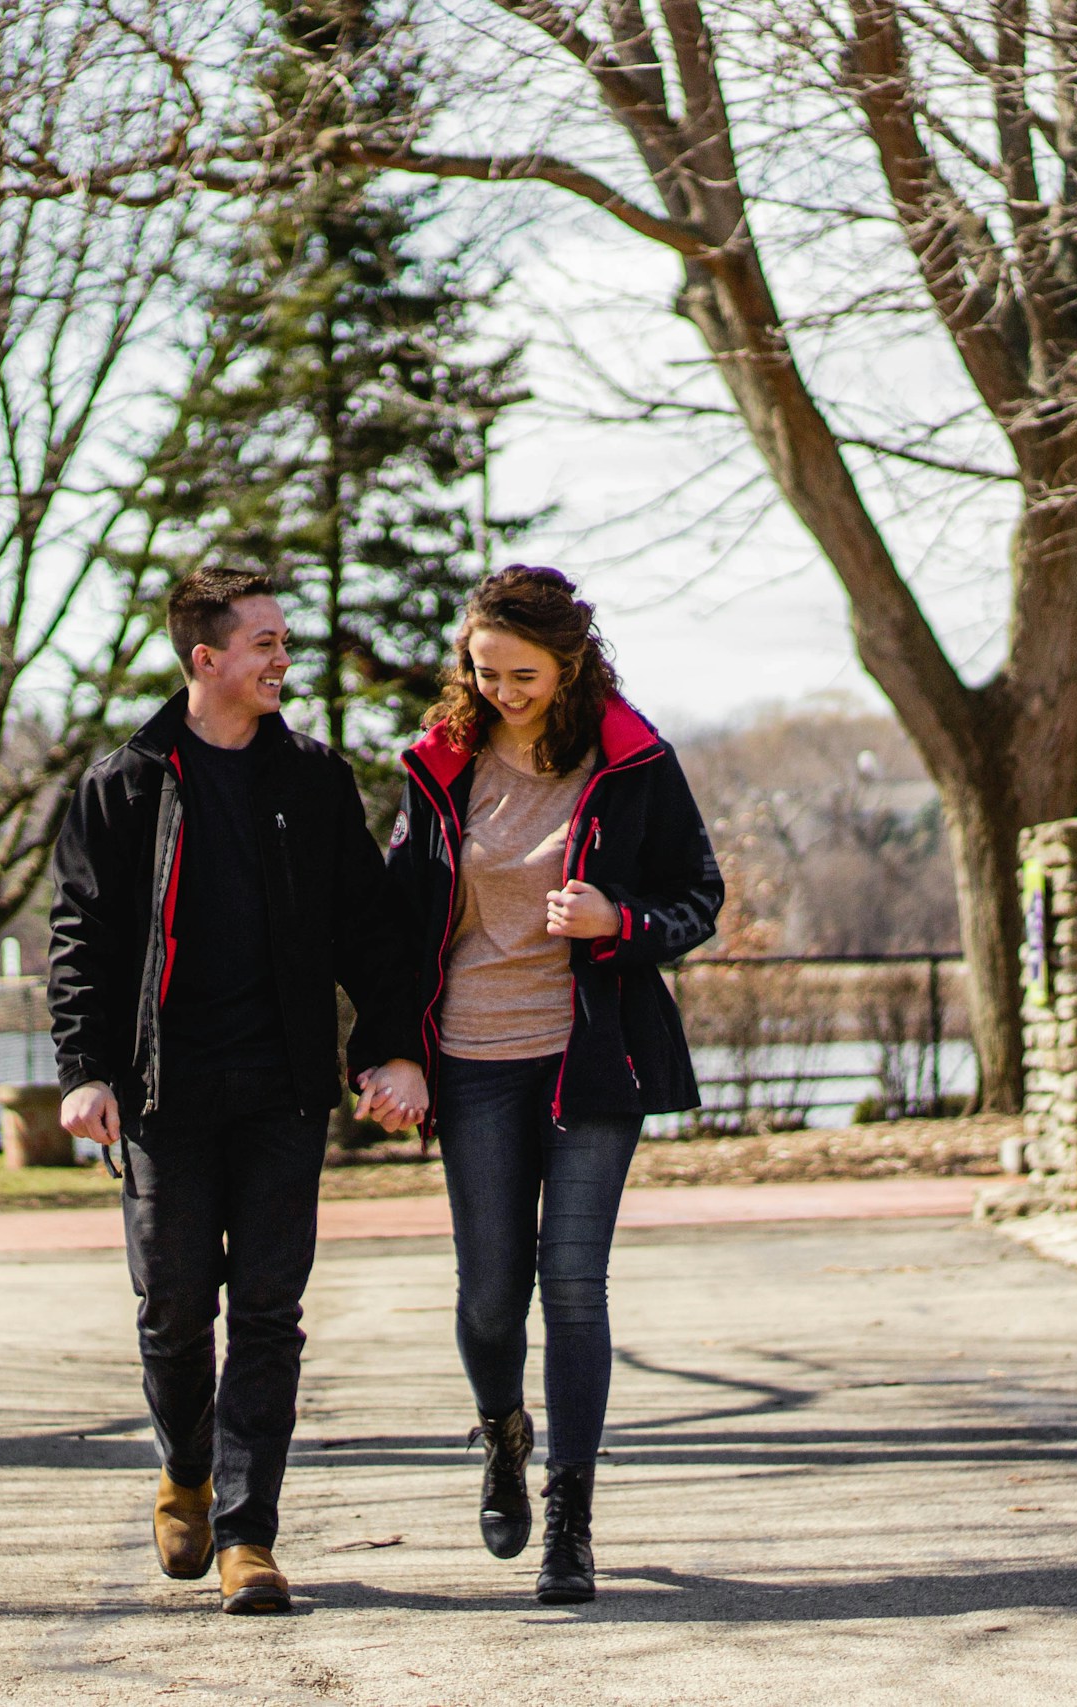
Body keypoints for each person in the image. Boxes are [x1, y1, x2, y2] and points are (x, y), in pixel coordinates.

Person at [48, 567, 428, 1616]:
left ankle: (248, 1537)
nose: (281, 657)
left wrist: (393, 1049)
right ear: (203, 658)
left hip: (283, 1092)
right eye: (261, 641)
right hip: (166, 1096)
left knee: (267, 1309)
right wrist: (83, 1071)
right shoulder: (125, 784)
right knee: (174, 1308)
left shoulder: (310, 780)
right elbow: (81, 940)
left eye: (283, 640)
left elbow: (368, 927)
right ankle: (185, 1473)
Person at [382, 565, 723, 1605]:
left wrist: (620, 922)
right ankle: (501, 1437)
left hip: (590, 1056)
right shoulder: (442, 765)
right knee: (492, 1299)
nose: (500, 691)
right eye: (482, 671)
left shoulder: (631, 759)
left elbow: (698, 897)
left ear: (570, 661)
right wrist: (391, 1049)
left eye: (521, 673)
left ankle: (570, 1518)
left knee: (573, 1286)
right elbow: (397, 925)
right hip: (476, 1060)